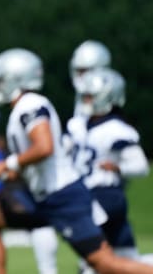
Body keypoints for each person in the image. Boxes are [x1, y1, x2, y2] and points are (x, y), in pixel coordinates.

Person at [0, 48, 153, 274]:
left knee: (104, 263)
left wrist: (7, 164)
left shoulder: (30, 104)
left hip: (63, 197)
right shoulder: (24, 107)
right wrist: (12, 172)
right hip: (44, 198)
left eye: (1, 80)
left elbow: (44, 147)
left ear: (16, 79)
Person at [66, 67, 150, 273]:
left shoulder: (117, 130)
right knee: (125, 254)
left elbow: (140, 166)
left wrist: (119, 167)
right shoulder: (77, 125)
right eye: (84, 96)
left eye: (90, 96)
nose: (85, 101)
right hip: (86, 193)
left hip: (104, 196)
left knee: (92, 254)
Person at [0, 135, 59, 274]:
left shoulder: (29, 118)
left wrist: (3, 170)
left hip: (40, 193)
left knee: (41, 223)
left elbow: (41, 152)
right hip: (29, 193)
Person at [69, 40, 111, 116]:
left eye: (83, 71)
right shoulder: (80, 98)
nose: (80, 76)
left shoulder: (106, 101)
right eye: (78, 71)